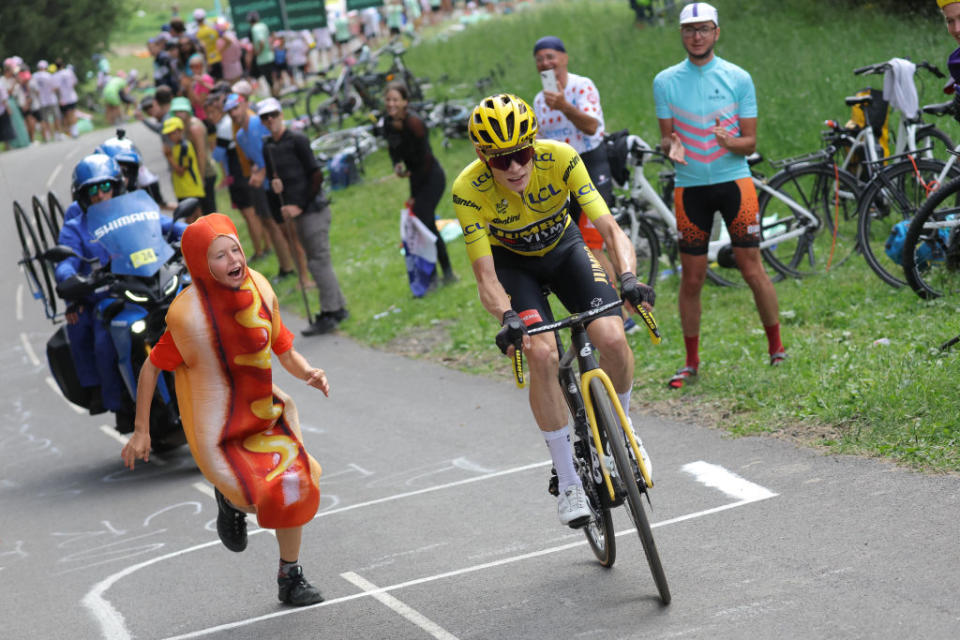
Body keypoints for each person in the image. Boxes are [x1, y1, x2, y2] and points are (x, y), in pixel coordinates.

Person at [451, 94, 655, 526]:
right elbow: (486, 277)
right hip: (514, 268)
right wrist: (506, 317)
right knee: (541, 353)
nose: (514, 168)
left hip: (565, 252)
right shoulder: (468, 189)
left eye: (522, 154)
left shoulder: (561, 158)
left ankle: (622, 429)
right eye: (501, 160)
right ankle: (567, 480)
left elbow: (609, 228)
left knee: (612, 338)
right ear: (482, 157)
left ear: (534, 143)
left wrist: (630, 277)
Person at [121, 213, 327, 607]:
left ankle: (290, 575)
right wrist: (142, 430)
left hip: (265, 413)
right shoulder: (188, 316)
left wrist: (308, 373)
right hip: (219, 426)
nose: (234, 258)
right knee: (253, 497)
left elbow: (283, 348)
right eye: (219, 254)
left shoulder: (261, 290)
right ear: (200, 264)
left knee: (294, 482)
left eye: (235, 248)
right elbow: (151, 368)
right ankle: (230, 501)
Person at [653, 2, 786, 389]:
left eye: (704, 29)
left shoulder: (738, 77)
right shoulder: (665, 81)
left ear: (717, 32)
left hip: (734, 182)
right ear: (682, 34)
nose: (697, 36)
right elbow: (666, 138)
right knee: (691, 278)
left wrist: (731, 141)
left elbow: (750, 143)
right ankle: (691, 362)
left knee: (751, 267)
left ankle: (776, 348)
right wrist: (670, 146)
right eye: (690, 30)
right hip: (689, 187)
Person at [55, 155, 185, 430]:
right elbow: (65, 263)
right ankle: (116, 402)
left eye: (105, 186)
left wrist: (197, 234)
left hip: (154, 283)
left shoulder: (137, 210)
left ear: (117, 186)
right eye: (92, 190)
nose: (100, 194)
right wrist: (70, 278)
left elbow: (168, 227)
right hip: (111, 295)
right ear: (82, 195)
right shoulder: (75, 227)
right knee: (104, 338)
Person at [531, 36, 638, 334]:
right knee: (576, 242)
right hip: (561, 174)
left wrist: (564, 106)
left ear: (564, 58)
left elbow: (593, 127)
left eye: (551, 57)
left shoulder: (582, 86)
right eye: (540, 59)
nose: (546, 64)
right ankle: (613, 308)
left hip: (592, 165)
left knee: (594, 241)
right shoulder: (539, 100)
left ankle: (622, 309)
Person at [260, 97, 350, 336]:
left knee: (318, 261)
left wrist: (299, 206)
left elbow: (316, 175)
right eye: (264, 117)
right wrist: (275, 187)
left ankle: (330, 312)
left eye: (273, 114)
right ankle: (338, 308)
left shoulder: (297, 140)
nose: (270, 120)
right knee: (315, 259)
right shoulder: (268, 146)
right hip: (296, 213)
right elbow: (274, 179)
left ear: (281, 114)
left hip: (313, 210)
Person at [383, 82, 457, 287]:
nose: (391, 104)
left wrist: (415, 193)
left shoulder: (414, 123)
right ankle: (436, 275)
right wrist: (397, 165)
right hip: (416, 176)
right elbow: (393, 150)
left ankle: (445, 273)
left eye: (396, 99)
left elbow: (424, 159)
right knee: (424, 224)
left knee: (425, 222)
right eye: (388, 100)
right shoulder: (387, 124)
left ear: (405, 102)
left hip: (431, 176)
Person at [227, 91, 296, 278]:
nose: (233, 113)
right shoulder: (240, 135)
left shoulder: (260, 122)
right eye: (229, 111)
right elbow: (255, 158)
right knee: (270, 223)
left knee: (283, 225)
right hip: (262, 185)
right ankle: (286, 267)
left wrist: (262, 172)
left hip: (278, 181)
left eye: (235, 108)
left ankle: (293, 266)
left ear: (245, 105)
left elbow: (275, 148)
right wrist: (256, 172)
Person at [163, 116, 206, 205]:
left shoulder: (185, 147)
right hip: (182, 189)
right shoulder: (175, 147)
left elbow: (181, 171)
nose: (171, 136)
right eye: (169, 134)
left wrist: (169, 157)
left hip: (190, 188)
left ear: (180, 131)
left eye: (173, 133)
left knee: (193, 216)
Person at [249, 11, 276, 94]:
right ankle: (276, 95)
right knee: (273, 78)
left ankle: (275, 96)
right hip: (270, 56)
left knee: (269, 80)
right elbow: (272, 37)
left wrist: (258, 52)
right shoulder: (263, 26)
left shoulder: (254, 29)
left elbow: (261, 42)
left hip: (262, 59)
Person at [193, 9, 223, 80]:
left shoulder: (196, 32)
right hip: (217, 57)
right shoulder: (212, 28)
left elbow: (202, 48)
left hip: (207, 62)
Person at [53, 60, 79, 138]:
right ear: (63, 65)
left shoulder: (56, 75)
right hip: (71, 96)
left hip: (62, 98)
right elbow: (74, 82)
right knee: (72, 113)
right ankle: (74, 131)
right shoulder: (69, 72)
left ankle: (68, 131)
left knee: (65, 115)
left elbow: (56, 88)